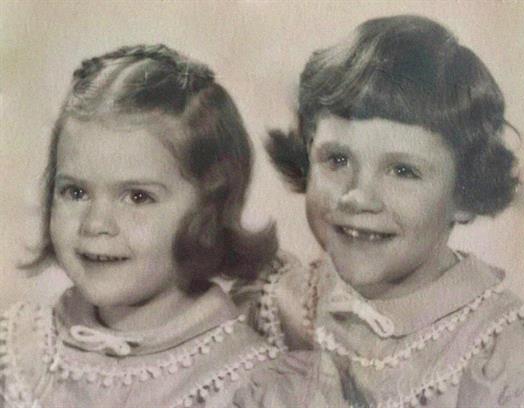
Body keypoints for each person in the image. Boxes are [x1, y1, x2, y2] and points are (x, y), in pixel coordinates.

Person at [236, 15, 524, 407]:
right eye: (337, 159)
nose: (358, 197)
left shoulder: (510, 360)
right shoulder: (276, 305)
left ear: (465, 193)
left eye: (403, 171)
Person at [0, 44, 316, 408]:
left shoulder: (251, 385)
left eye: (137, 197)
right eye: (75, 192)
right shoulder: (18, 355)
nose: (96, 224)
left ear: (209, 209)